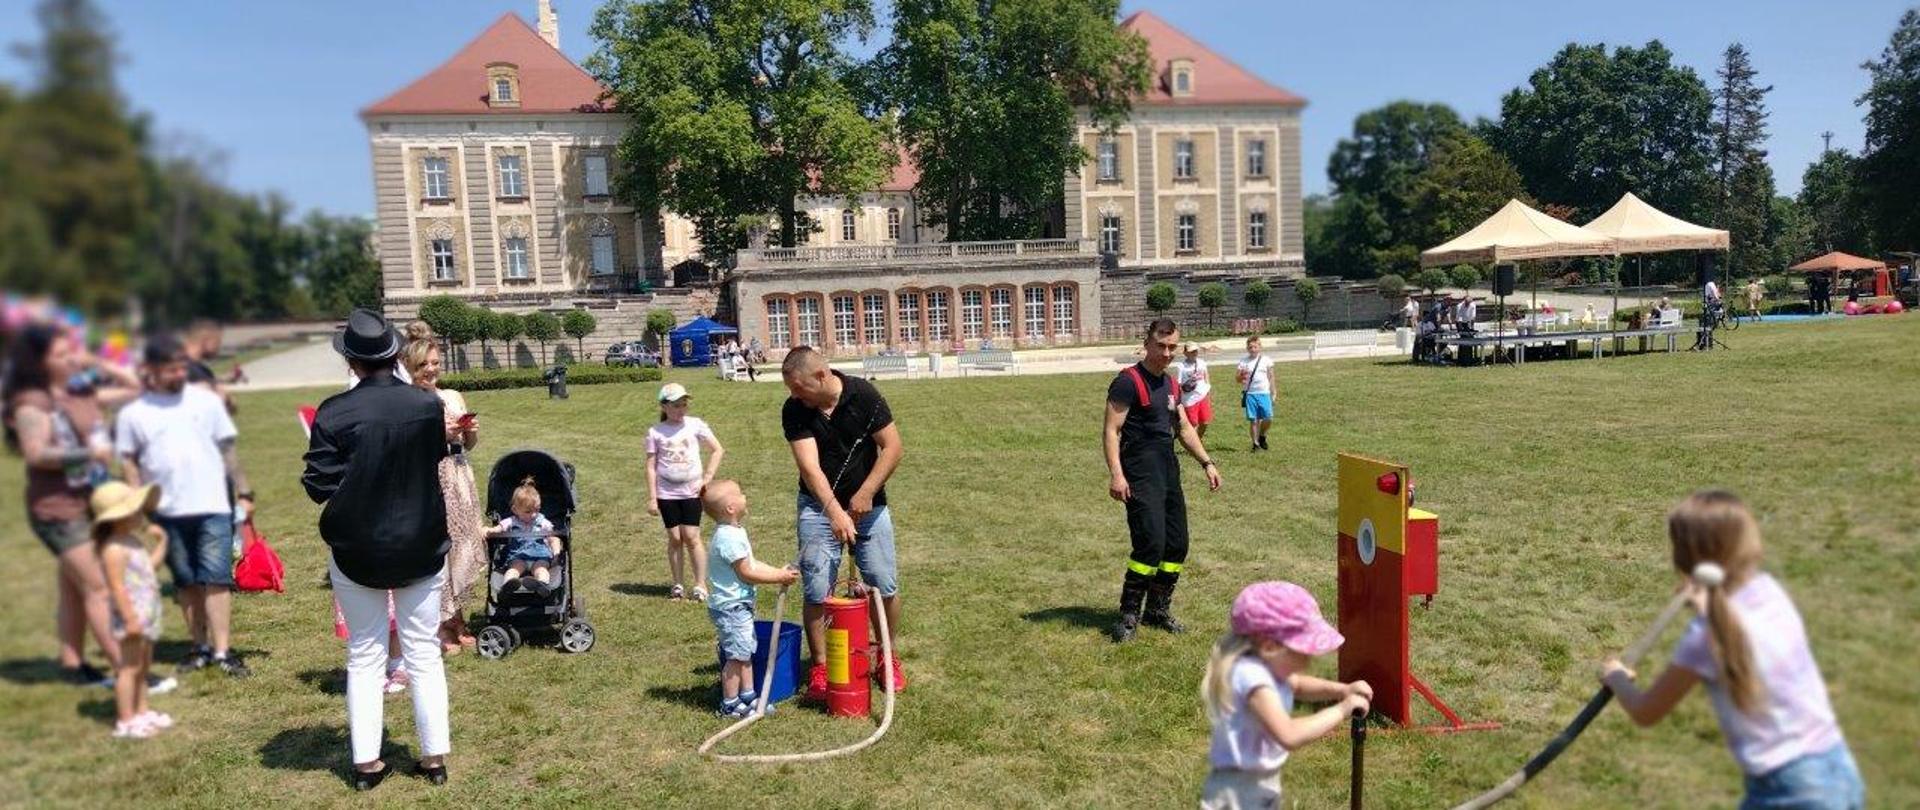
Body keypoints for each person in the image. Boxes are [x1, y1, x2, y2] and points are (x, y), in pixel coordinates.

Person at [1599, 491, 1862, 809]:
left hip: (1789, 791)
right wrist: (1705, 603)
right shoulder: (1769, 591)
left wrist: (1616, 677)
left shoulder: (1704, 639)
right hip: (1838, 768)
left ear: (1684, 559)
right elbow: (1732, 621)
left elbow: (1646, 712)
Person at [302, 308, 453, 790]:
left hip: (358, 546)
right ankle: (434, 757)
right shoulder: (426, 405)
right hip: (420, 540)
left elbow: (318, 485)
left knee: (365, 654)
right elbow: (435, 457)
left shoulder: (334, 412)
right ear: (394, 355)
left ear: (351, 361)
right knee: (423, 651)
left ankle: (366, 763)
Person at [116, 335, 254, 679]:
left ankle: (223, 651)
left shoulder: (206, 402)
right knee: (186, 581)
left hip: (213, 504)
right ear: (150, 370)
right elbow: (129, 462)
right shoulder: (133, 414)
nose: (180, 373)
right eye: (171, 369)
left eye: (182, 367)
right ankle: (199, 646)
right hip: (166, 510)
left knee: (217, 578)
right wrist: (137, 505)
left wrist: (245, 491)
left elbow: (227, 450)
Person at [4, 324, 129, 689]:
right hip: (58, 509)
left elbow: (135, 388)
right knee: (99, 587)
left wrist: (97, 361)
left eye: (71, 351)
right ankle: (128, 672)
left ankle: (73, 665)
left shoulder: (74, 390)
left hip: (86, 501)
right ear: (38, 361)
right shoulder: (33, 401)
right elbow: (35, 453)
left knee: (75, 588)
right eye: (61, 355)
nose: (71, 359)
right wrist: (88, 454)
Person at [780, 346, 907, 700]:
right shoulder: (795, 409)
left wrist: (865, 493)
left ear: (821, 376)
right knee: (816, 587)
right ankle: (821, 667)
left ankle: (886, 658)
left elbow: (893, 447)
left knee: (883, 583)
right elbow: (810, 468)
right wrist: (835, 512)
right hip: (817, 507)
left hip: (871, 507)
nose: (795, 395)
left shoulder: (863, 395)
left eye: (799, 387)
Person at [1199, 581, 1372, 809]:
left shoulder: (1266, 666)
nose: (1309, 659)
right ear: (1270, 647)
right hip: (1239, 793)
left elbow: (1297, 685)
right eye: (1302, 651)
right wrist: (1342, 709)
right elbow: (1288, 734)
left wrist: (1342, 690)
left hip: (1258, 783)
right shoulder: (1252, 677)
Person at [1105, 320, 1222, 643]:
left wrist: (1207, 462)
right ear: (1146, 344)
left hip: (1168, 469)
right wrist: (1117, 474)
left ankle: (1157, 610)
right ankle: (1129, 614)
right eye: (1161, 346)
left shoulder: (1171, 384)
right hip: (1139, 471)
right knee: (1150, 544)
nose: (1167, 353)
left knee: (1176, 544)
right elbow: (1111, 430)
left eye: (1172, 347)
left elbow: (1183, 428)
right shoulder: (1127, 382)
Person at [400, 323, 485, 653]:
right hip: (431, 477)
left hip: (460, 474)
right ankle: (439, 623)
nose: (431, 370)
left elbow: (470, 445)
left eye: (435, 363)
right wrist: (439, 435)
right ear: (410, 366)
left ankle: (457, 617)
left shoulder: (452, 396)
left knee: (463, 545)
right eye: (423, 364)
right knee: (440, 549)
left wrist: (470, 431)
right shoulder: (408, 401)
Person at [702, 479, 800, 717]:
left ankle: (748, 696)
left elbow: (752, 564)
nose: (745, 496)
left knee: (745, 652)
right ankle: (729, 703)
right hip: (731, 608)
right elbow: (746, 573)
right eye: (740, 494)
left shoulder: (735, 532)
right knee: (736, 657)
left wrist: (778, 572)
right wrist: (777, 578)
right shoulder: (728, 537)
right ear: (730, 508)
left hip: (739, 606)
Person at [90, 481, 173, 739]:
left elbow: (149, 568)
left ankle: (142, 711)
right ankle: (126, 719)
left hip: (146, 613)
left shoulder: (132, 541)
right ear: (119, 517)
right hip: (131, 616)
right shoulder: (114, 548)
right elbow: (116, 586)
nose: (141, 514)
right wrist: (129, 619)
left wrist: (163, 543)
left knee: (143, 666)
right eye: (135, 510)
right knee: (129, 668)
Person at [647, 382, 724, 601]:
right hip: (666, 494)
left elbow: (717, 449)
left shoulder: (695, 425)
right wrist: (652, 497)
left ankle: (700, 584)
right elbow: (650, 466)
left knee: (691, 536)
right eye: (676, 406)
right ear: (664, 407)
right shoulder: (655, 432)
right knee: (675, 538)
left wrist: (707, 477)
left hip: (691, 491)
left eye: (684, 405)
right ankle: (678, 584)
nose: (681, 409)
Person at [492, 478, 560, 595]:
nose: (533, 515)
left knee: (540, 569)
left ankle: (542, 584)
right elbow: (499, 528)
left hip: (540, 556)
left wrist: (556, 553)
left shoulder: (542, 522)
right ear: (515, 510)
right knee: (514, 570)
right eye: (528, 511)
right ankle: (509, 584)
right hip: (518, 555)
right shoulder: (511, 521)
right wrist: (490, 530)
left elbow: (553, 538)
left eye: (537, 510)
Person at [183, 319, 235, 414]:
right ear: (206, 341)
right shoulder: (185, 370)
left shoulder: (202, 370)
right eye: (217, 342)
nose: (219, 347)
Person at [1234, 336, 1276, 452]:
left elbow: (1271, 377)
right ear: (1247, 348)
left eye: (1255, 347)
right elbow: (1237, 379)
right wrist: (1241, 376)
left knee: (1268, 418)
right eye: (1250, 347)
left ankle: (1262, 436)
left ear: (1260, 347)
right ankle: (1255, 444)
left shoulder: (1266, 360)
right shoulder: (1243, 361)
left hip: (1264, 393)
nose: (1253, 349)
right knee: (1254, 420)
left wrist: (1273, 392)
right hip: (1250, 394)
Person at [1173, 343, 1214, 440]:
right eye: (1191, 351)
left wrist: (1208, 390)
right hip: (1189, 399)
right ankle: (1194, 444)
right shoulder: (1181, 366)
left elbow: (1206, 376)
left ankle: (1198, 440)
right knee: (1193, 424)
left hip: (1202, 396)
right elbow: (1178, 383)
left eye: (1195, 351)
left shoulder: (1202, 362)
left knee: (1205, 422)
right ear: (1185, 353)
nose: (1194, 353)